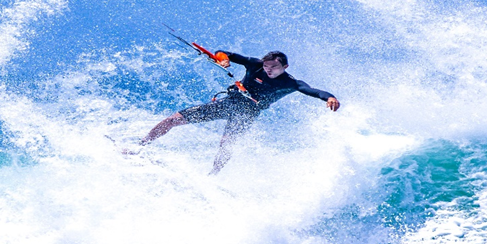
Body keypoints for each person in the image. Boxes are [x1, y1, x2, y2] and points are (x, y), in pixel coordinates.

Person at [142, 50, 340, 174]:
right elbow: (224, 53)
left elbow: (313, 91)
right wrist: (224, 61)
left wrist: (329, 97)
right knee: (173, 120)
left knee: (226, 144)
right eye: (267, 66)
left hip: (246, 114)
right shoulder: (255, 65)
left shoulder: (291, 83)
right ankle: (141, 145)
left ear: (285, 66)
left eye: (274, 67)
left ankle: (213, 175)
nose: (269, 70)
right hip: (228, 103)